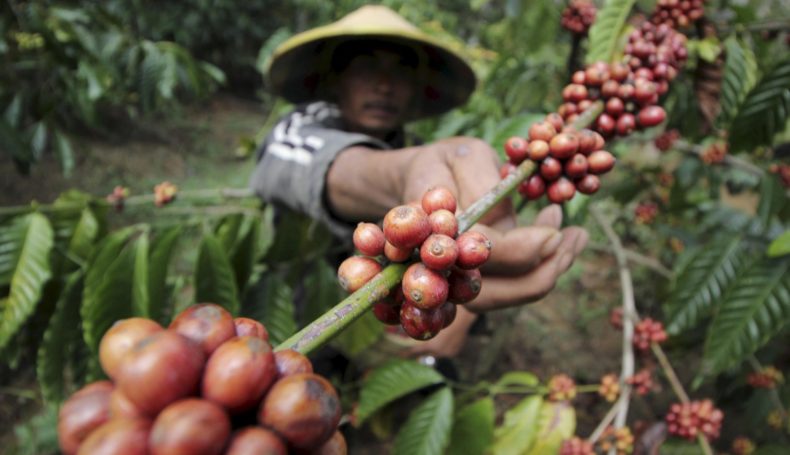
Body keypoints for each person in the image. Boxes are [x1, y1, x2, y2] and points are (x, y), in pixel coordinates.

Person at [250, 5, 588, 358]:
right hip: (305, 313)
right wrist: (407, 169)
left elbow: (454, 260)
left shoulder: (407, 141)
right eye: (367, 66)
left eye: (401, 70)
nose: (384, 85)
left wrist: (458, 304)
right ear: (336, 79)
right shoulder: (299, 128)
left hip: (391, 331)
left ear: (415, 87)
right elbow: (317, 168)